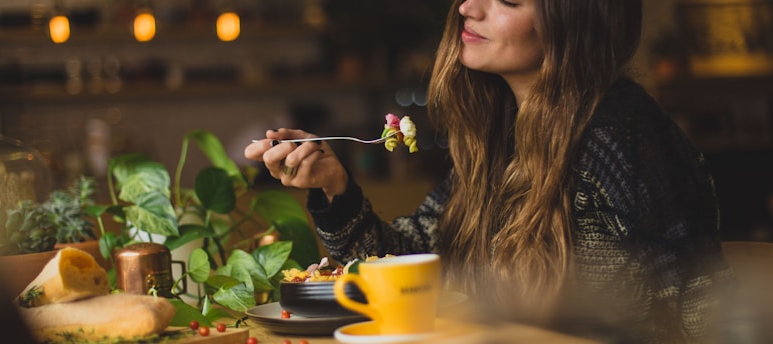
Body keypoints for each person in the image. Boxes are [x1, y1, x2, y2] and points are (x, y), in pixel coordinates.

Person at [245, 0, 733, 342]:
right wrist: (336, 187)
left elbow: (697, 303)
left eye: (507, 0)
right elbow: (411, 267)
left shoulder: (620, 133)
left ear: (573, 23)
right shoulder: (501, 139)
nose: (467, 8)